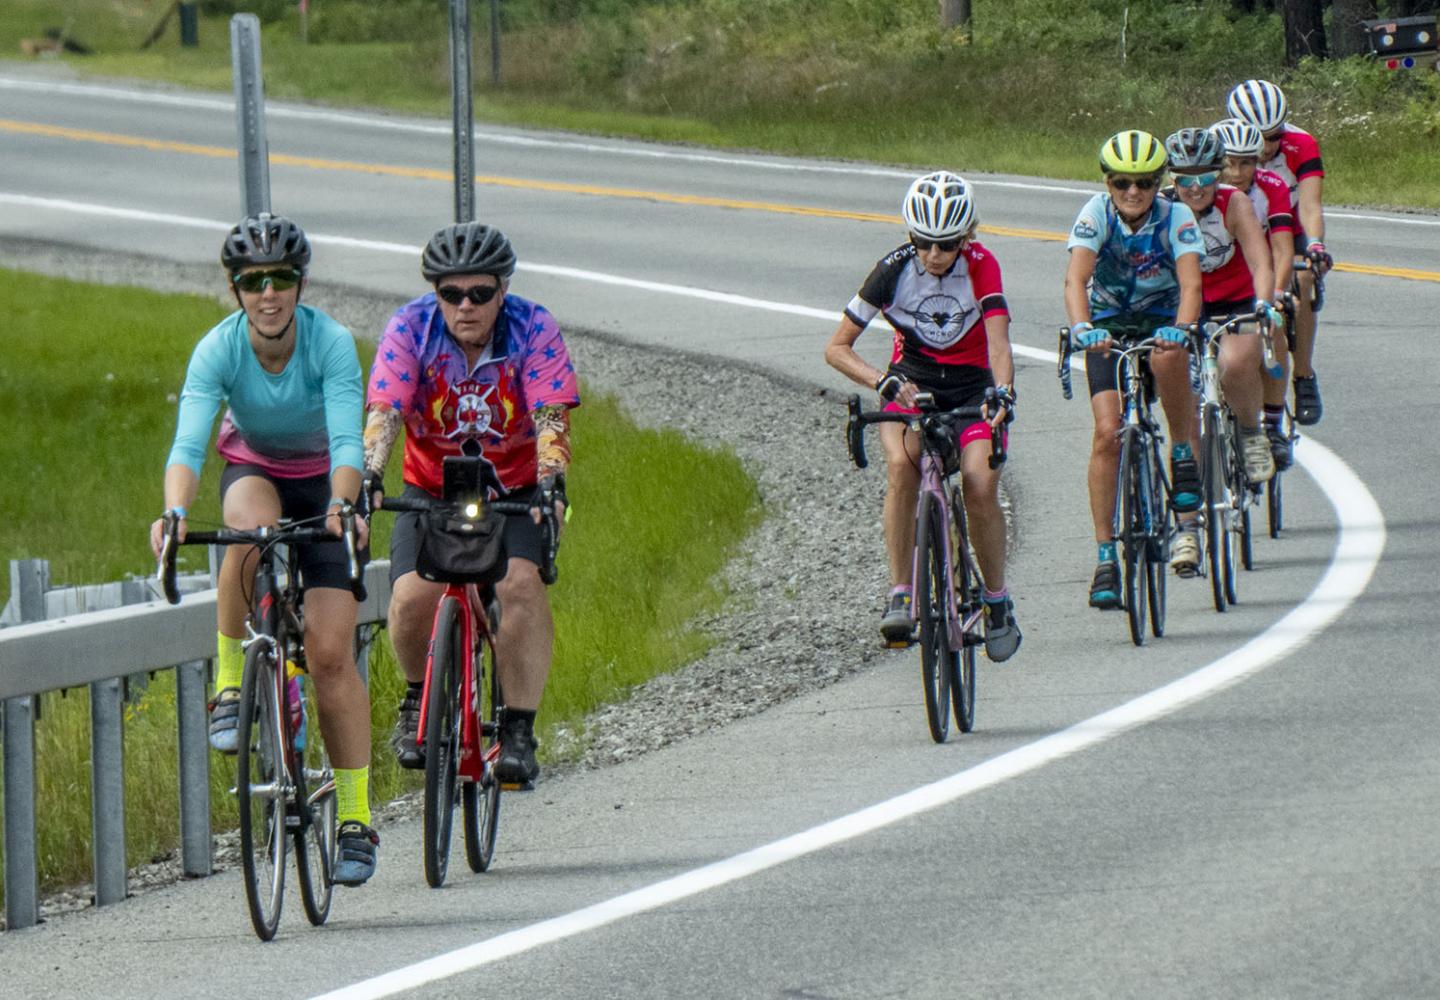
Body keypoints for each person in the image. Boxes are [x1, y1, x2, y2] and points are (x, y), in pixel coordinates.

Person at [148, 212, 379, 886]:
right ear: (236, 288)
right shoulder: (218, 348)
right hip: (256, 471)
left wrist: (343, 504)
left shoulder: (330, 344)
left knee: (333, 656)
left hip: (323, 486)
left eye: (281, 279)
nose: (269, 293)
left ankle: (357, 821)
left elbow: (346, 442)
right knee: (247, 532)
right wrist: (175, 511)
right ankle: (229, 681)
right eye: (254, 282)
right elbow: (189, 445)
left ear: (300, 284)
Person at [363, 221, 577, 787]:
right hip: (432, 486)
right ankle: (418, 698)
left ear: (502, 290)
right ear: (435, 294)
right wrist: (368, 474)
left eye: (480, 293)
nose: (465, 306)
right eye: (451, 294)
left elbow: (551, 416)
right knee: (411, 597)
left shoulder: (533, 326)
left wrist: (552, 481)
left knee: (520, 586)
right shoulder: (411, 326)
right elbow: (385, 410)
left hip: (514, 486)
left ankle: (519, 728)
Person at [824, 171, 1021, 662]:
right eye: (925, 242)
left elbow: (998, 342)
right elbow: (836, 347)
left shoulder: (981, 265)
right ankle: (901, 593)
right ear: (911, 235)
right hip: (910, 384)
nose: (935, 254)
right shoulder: (891, 269)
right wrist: (880, 381)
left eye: (948, 243)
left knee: (979, 484)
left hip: (973, 387)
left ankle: (996, 601)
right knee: (901, 468)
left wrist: (1003, 393)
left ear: (967, 235)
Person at [1063, 130, 1204, 606]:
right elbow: (1075, 279)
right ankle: (1106, 556)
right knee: (1107, 434)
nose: (1133, 193)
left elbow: (1190, 285)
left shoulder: (1177, 214)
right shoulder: (1094, 215)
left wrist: (1182, 328)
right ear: (1107, 183)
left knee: (1168, 355)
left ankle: (1182, 453)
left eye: (1144, 182)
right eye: (1122, 182)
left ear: (1158, 181)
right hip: (1106, 326)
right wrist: (1082, 327)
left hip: (1163, 320)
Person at [1161, 126, 1279, 499]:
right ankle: (1190, 507)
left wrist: (1263, 304)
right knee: (1186, 401)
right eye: (1185, 180)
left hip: (1237, 301)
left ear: (1220, 173)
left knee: (1235, 364)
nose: (1196, 189)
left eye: (1206, 178)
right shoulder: (1162, 208)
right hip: (1184, 305)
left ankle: (1249, 431)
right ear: (1172, 179)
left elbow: (1261, 263)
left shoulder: (1234, 203)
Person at [1225, 79, 1330, 426]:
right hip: (1241, 232)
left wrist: (1315, 244)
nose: (1269, 146)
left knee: (1303, 279)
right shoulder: (1222, 147)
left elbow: (1311, 204)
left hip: (1288, 225)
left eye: (1275, 135)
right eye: (1261, 137)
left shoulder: (1301, 143)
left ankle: (1303, 376)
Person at [1212, 116, 1299, 470]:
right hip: (1205, 290)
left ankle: (1273, 424)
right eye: (1229, 162)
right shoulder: (1197, 192)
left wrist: (1277, 291)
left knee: (1274, 321)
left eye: (1246, 162)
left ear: (1257, 161)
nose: (1236, 171)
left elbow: (1281, 248)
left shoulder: (1271, 186)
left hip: (1255, 283)